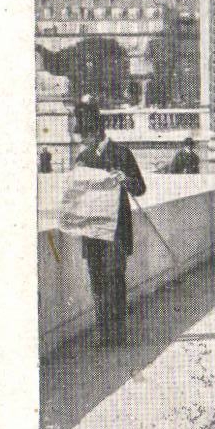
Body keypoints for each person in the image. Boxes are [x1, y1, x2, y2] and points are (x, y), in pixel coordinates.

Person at [72, 95, 146, 346]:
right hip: (92, 231)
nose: (82, 142)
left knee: (115, 279)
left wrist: (126, 178)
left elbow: (140, 188)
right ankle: (103, 333)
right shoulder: (83, 159)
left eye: (85, 136)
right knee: (97, 282)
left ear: (96, 132)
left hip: (116, 231)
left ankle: (118, 332)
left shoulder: (122, 153)